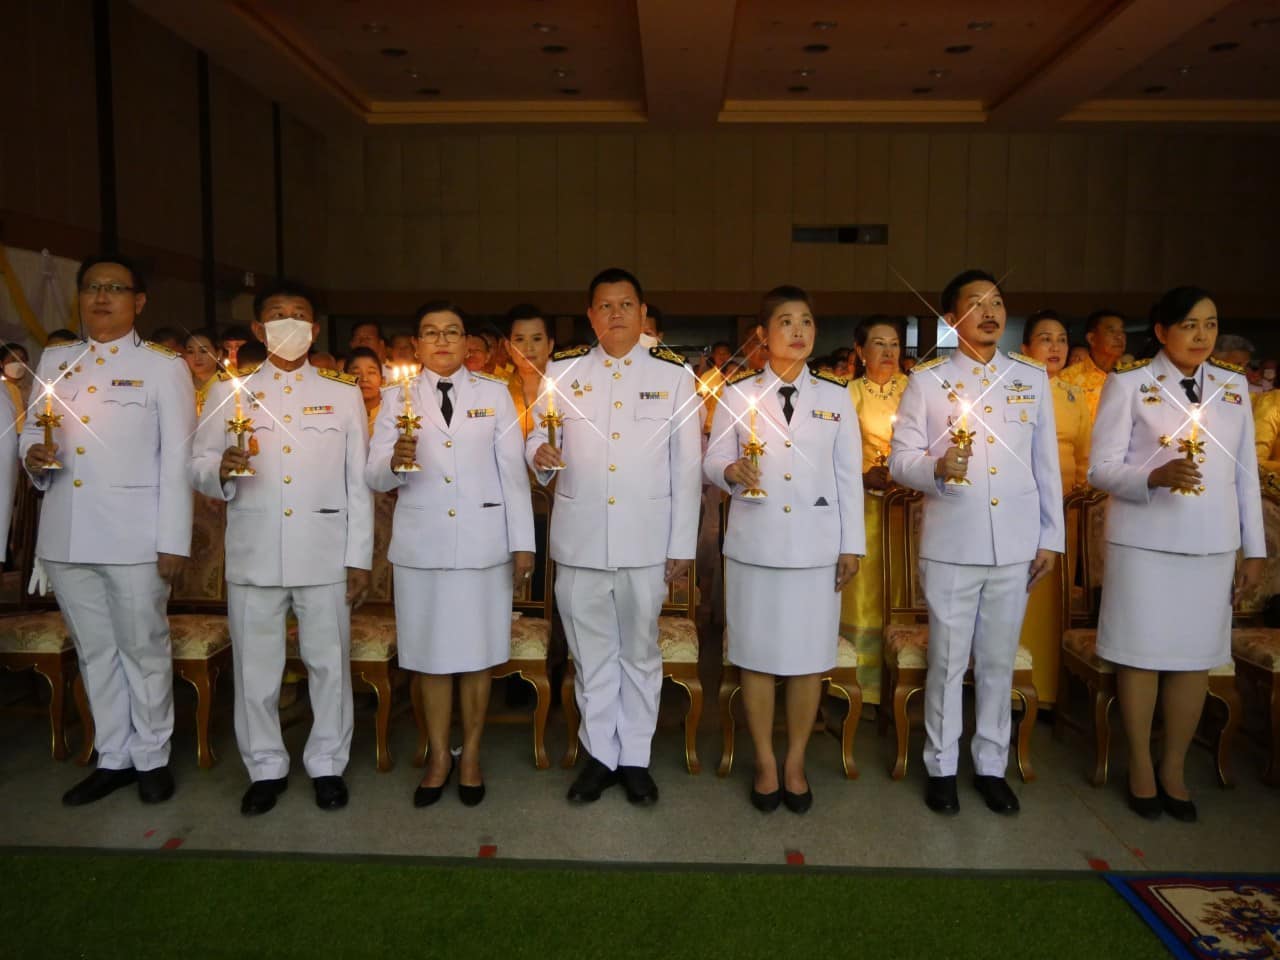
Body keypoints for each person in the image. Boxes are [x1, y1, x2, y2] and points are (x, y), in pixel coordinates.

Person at [190, 279, 372, 816]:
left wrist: (357, 557)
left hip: (324, 550)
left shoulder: (341, 394)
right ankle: (265, 765)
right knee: (257, 667)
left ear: (314, 330)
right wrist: (217, 470)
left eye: (298, 315)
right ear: (257, 328)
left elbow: (357, 482)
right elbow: (197, 464)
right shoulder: (228, 393)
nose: (288, 323)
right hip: (255, 549)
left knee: (328, 665)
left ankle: (327, 764)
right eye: (277, 314)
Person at [888, 268, 1064, 816]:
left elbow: (1046, 465)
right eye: (976, 304)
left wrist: (1050, 537)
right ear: (950, 319)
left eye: (997, 303)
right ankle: (940, 766)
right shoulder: (928, 380)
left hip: (1014, 543)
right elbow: (899, 460)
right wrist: (935, 468)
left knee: (996, 661)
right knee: (946, 660)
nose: (989, 313)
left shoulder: (1030, 378)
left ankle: (990, 764)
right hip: (952, 541)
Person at [22, 254, 194, 807]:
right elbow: (30, 435)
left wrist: (172, 541)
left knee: (143, 646)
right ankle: (114, 755)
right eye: (93, 287)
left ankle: (152, 756)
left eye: (115, 288)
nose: (101, 297)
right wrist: (35, 457)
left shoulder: (163, 366)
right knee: (96, 651)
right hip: (68, 532)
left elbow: (177, 461)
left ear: (138, 302)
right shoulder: (55, 359)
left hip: (134, 535)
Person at [1088, 286, 1264, 822]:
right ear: (1162, 331)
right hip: (1144, 543)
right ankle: (1140, 766)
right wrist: (1152, 476)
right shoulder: (1130, 384)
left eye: (1210, 324)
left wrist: (1253, 548)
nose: (1202, 335)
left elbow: (1245, 476)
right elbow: (1100, 469)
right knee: (1141, 657)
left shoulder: (1234, 389)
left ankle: (1174, 769)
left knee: (1194, 661)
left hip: (1210, 544)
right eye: (1189, 325)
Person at [527, 267, 701, 806]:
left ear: (643, 312)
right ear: (590, 315)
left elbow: (688, 466)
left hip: (646, 539)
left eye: (626, 305)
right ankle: (600, 754)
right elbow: (535, 432)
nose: (616, 315)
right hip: (580, 538)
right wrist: (539, 455)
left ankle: (636, 758)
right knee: (591, 653)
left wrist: (681, 546)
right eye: (605, 306)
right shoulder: (564, 368)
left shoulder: (674, 375)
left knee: (641, 653)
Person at [368, 301, 535, 808]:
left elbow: (512, 471)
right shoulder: (396, 398)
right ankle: (440, 756)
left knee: (479, 658)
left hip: (484, 543)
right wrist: (394, 464)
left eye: (452, 332)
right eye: (430, 333)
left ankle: (472, 756)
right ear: (415, 345)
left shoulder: (495, 395)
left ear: (468, 344)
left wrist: (522, 542)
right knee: (431, 660)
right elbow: (373, 475)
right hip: (423, 545)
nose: (442, 341)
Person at [705, 286, 864, 812]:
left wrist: (851, 545)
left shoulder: (836, 397)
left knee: (807, 661)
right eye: (786, 322)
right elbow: (712, 460)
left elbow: (848, 479)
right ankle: (765, 762)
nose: (798, 332)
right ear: (762, 335)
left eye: (806, 322)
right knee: (754, 658)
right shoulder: (737, 394)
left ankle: (794, 761)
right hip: (756, 544)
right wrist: (730, 471)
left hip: (817, 550)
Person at [1018, 309, 1092, 706]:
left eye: (1062, 339)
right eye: (1045, 338)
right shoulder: (1011, 390)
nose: (1056, 347)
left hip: (1065, 509)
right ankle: (1014, 685)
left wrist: (1077, 497)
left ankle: (1049, 690)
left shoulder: (1074, 395)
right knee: (1019, 595)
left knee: (1054, 596)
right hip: (1017, 506)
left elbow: (1084, 457)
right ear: (1025, 347)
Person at [839, 317, 908, 705]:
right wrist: (864, 475)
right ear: (861, 352)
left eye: (895, 344)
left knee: (904, 583)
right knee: (866, 588)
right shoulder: (847, 394)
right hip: (864, 505)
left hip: (908, 511)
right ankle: (861, 684)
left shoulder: (914, 391)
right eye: (878, 345)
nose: (887, 353)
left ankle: (902, 678)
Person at [1058, 310, 1127, 421]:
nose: (1119, 337)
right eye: (1111, 331)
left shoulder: (1131, 375)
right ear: (1091, 339)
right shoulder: (1067, 379)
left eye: (1122, 331)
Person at [502, 304, 554, 438]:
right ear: (508, 347)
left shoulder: (565, 388)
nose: (528, 348)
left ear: (550, 345)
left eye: (536, 339)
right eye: (520, 339)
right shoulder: (497, 389)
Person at [345, 347, 383, 437]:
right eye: (356, 373)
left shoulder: (392, 415)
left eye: (371, 372)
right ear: (344, 378)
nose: (364, 379)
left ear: (382, 380)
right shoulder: (339, 416)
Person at [184, 328, 222, 417]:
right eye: (191, 352)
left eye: (203, 351)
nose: (197, 358)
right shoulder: (181, 384)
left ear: (218, 354)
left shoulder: (228, 384)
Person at [1, 342, 32, 430]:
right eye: (13, 359)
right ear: (1, 363)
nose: (18, 363)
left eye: (22, 360)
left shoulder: (32, 390)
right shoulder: (2, 389)